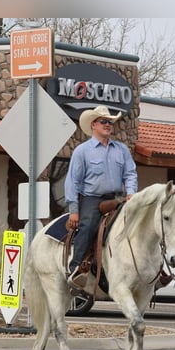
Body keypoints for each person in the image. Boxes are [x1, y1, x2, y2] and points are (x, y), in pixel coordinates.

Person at [64, 105, 138, 290]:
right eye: (104, 121)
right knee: (88, 226)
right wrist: (74, 211)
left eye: (110, 121)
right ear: (93, 125)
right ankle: (75, 270)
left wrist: (131, 194)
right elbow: (72, 181)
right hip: (91, 199)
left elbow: (130, 174)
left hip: (117, 198)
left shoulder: (121, 150)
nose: (108, 124)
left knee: (135, 225)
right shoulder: (82, 151)